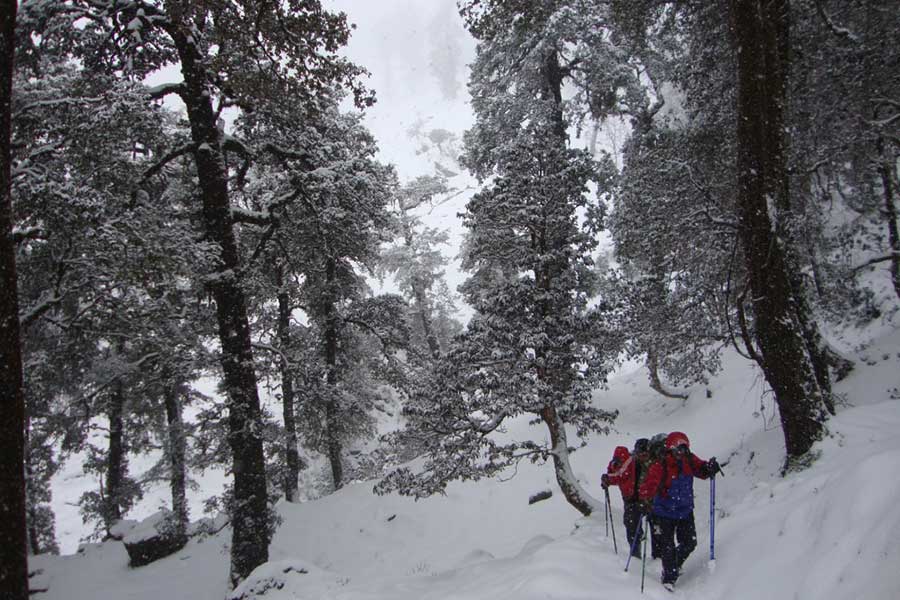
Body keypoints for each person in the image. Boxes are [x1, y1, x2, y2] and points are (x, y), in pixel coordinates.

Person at [638, 431, 719, 592]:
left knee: (690, 542)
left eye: (684, 449)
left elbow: (701, 470)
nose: (681, 454)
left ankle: (673, 564)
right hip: (664, 512)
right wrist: (645, 500)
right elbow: (646, 487)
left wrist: (709, 468)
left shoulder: (689, 459)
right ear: (670, 449)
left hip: (685, 510)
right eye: (678, 450)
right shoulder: (660, 465)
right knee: (667, 546)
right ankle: (669, 578)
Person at [602, 439, 649, 558]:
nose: (643, 457)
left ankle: (645, 553)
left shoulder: (653, 463)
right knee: (632, 525)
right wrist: (608, 478)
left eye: (645, 454)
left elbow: (618, 476)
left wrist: (608, 478)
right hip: (633, 499)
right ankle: (636, 553)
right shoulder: (627, 462)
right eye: (641, 454)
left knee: (637, 525)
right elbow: (620, 475)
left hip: (644, 498)